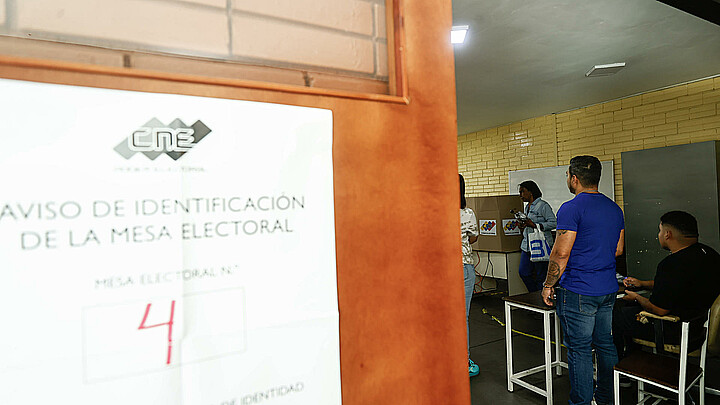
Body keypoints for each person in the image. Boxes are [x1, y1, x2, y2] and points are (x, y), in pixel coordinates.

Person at [541, 156, 625, 405]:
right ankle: (606, 399)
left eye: (568, 176)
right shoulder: (614, 208)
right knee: (605, 345)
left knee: (579, 351)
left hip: (578, 290)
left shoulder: (571, 207)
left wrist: (548, 285)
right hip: (607, 289)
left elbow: (561, 252)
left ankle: (580, 403)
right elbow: (618, 250)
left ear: (574, 178)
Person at [613, 211, 720, 360]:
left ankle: (624, 366)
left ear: (668, 234)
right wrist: (642, 284)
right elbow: (677, 284)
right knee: (627, 310)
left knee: (617, 312)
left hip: (675, 331)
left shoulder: (672, 264)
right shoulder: (709, 254)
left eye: (660, 230)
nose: (659, 235)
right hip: (699, 328)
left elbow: (659, 310)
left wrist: (636, 297)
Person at [517, 180, 557, 292]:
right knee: (523, 272)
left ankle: (540, 300)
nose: (520, 195)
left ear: (530, 192)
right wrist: (524, 225)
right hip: (527, 246)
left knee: (541, 276)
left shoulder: (543, 206)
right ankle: (534, 293)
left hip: (541, 246)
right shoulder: (527, 207)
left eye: (522, 192)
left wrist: (535, 225)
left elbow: (554, 223)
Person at [459, 174, 480, 377]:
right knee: (461, 317)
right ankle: (462, 361)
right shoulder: (467, 213)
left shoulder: (432, 212)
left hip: (437, 270)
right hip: (463, 266)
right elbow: (473, 238)